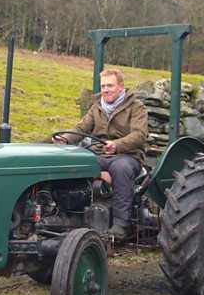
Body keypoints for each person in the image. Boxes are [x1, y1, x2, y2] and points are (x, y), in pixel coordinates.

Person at [52, 68, 148, 239]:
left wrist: (117, 145)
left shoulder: (136, 107)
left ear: (121, 87)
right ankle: (70, 217)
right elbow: (81, 129)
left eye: (110, 85)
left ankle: (121, 224)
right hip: (99, 155)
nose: (105, 90)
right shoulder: (97, 107)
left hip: (127, 156)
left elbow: (139, 135)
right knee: (75, 164)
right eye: (103, 86)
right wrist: (65, 139)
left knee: (121, 168)